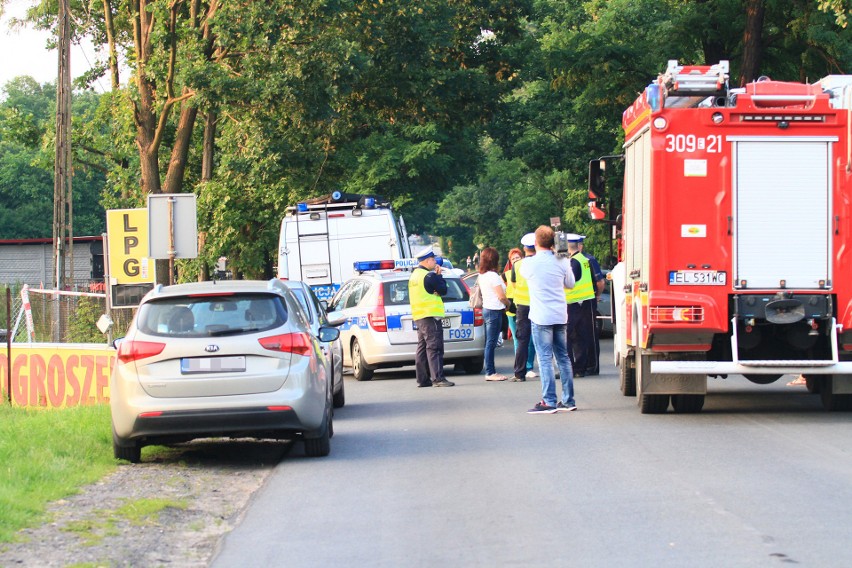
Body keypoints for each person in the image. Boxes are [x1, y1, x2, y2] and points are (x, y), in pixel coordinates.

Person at [520, 225, 580, 413]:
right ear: (553, 241)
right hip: (560, 315)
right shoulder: (562, 260)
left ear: (536, 242)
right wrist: (562, 258)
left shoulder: (529, 264)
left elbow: (523, 275)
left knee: (545, 359)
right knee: (563, 357)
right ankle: (568, 400)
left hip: (540, 316)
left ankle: (549, 401)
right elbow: (570, 284)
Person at [409, 246, 455, 387]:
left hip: (419, 315)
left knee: (422, 348)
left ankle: (423, 379)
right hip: (430, 315)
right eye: (433, 259)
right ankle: (438, 378)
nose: (435, 262)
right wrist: (439, 276)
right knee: (434, 347)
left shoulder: (414, 276)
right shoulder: (429, 276)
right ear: (427, 260)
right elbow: (443, 289)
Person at [564, 234, 597, 378]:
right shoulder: (585, 260)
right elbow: (593, 282)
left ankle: (572, 368)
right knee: (583, 337)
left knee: (570, 336)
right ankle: (582, 368)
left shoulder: (572, 262)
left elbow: (570, 283)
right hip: (587, 301)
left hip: (574, 303)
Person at [509, 233, 538, 382]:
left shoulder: (517, 265)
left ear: (524, 248)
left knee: (522, 339)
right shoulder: (541, 262)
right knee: (543, 338)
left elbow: (513, 284)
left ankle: (519, 373)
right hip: (539, 305)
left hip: (522, 307)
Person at [478, 247, 511, 381]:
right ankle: (490, 372)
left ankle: (490, 371)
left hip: (487, 309)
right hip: (494, 310)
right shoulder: (493, 276)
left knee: (490, 342)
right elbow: (501, 296)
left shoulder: (482, 275)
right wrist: (508, 304)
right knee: (491, 342)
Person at [579, 236, 606, 376]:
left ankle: (592, 366)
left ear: (580, 246)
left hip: (588, 301)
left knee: (590, 334)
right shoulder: (568, 260)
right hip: (575, 302)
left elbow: (600, 282)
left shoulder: (589, 260)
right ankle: (581, 365)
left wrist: (596, 296)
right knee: (578, 335)